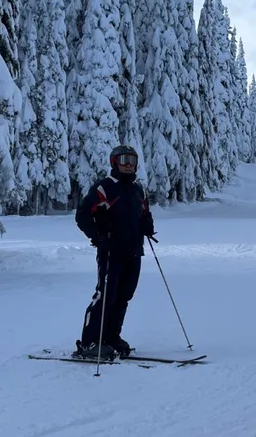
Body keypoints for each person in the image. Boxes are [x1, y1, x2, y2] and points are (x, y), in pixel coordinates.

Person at [73, 145, 155, 359]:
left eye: (133, 160)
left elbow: (145, 213)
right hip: (111, 251)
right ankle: (90, 342)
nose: (129, 165)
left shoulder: (139, 190)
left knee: (124, 296)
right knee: (105, 295)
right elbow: (82, 215)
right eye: (124, 159)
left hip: (134, 250)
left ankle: (111, 337)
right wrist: (97, 234)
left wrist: (147, 225)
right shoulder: (104, 187)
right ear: (114, 162)